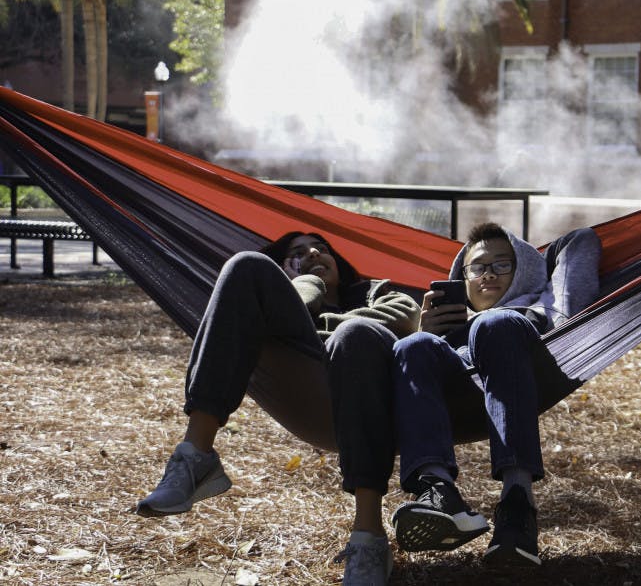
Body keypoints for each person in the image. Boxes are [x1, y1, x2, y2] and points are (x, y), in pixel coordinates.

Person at [135, 231, 419, 586]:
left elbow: (406, 316)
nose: (314, 252)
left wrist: (329, 326)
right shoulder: (284, 301)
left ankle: (368, 536)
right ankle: (194, 455)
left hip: (372, 387)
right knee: (246, 265)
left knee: (357, 334)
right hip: (308, 376)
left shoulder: (372, 291)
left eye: (323, 249)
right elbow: (290, 308)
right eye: (299, 253)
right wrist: (304, 284)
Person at [389, 222, 601, 567]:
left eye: (502, 264)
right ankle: (439, 491)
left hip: (517, 355)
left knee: (494, 322)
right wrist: (427, 331)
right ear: (462, 278)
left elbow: (581, 240)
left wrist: (535, 263)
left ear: (524, 268)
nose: (488, 275)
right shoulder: (450, 327)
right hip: (459, 374)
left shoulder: (544, 303)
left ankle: (518, 503)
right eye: (477, 267)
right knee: (411, 345)